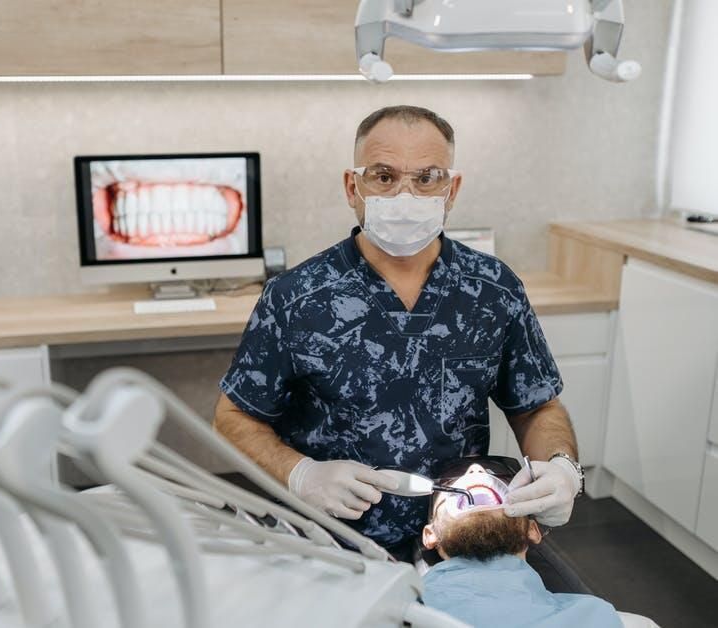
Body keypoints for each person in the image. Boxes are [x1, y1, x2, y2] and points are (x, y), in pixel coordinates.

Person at [213, 105, 584, 580]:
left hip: (464, 537)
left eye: (427, 178)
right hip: (333, 538)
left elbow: (537, 406)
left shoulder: (492, 290)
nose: (405, 195)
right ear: (353, 187)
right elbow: (233, 417)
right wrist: (300, 473)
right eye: (384, 177)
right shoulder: (297, 297)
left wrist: (561, 468)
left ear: (452, 189)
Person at [420, 456, 659, 628]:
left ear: (533, 530)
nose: (475, 470)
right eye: (450, 483)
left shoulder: (601, 619)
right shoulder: (401, 605)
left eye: (498, 476)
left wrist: (567, 469)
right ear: (430, 535)